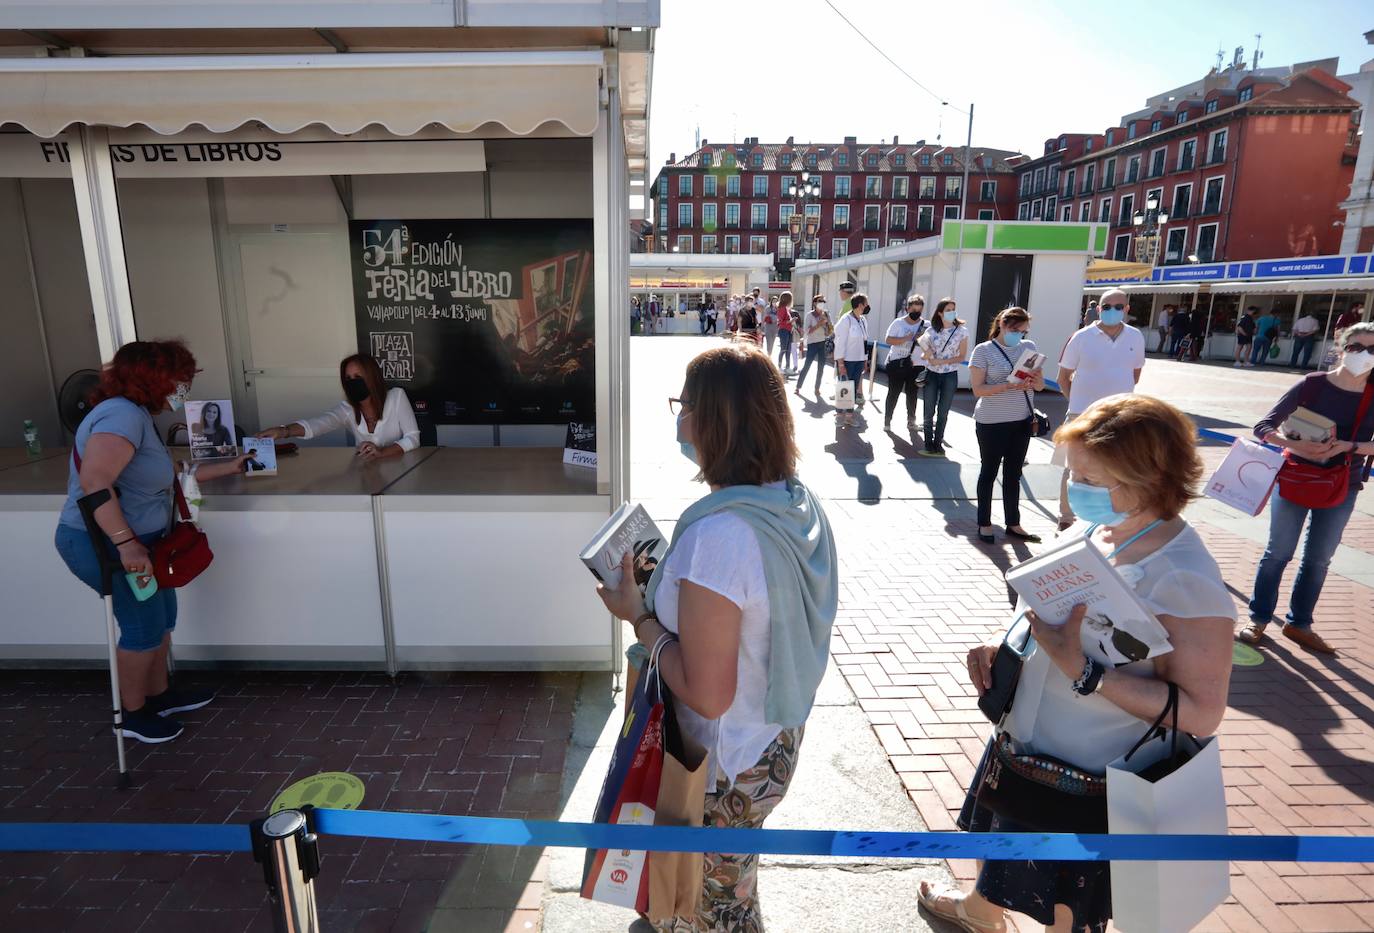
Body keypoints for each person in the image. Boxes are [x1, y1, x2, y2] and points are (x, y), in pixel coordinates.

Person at [919, 394, 1234, 933]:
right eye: (1073, 474)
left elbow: (1201, 714)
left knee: (1067, 904)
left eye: (1090, 478)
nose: (1075, 491)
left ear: (1150, 476)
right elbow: (1046, 609)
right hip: (1031, 745)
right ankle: (980, 911)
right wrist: (1003, 642)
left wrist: (1087, 675)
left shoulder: (1186, 578)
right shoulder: (1096, 530)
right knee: (1005, 840)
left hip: (1097, 776)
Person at [596, 344, 837, 933]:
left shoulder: (722, 536)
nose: (679, 419)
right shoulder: (790, 499)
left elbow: (706, 694)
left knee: (719, 906)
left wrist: (640, 617)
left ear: (715, 422)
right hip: (772, 735)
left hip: (722, 764)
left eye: (686, 404)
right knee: (724, 877)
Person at [54, 340, 251, 744]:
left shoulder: (135, 414)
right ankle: (133, 713)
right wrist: (127, 545)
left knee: (162, 620)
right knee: (142, 626)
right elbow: (94, 482)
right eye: (179, 378)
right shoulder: (119, 416)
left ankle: (161, 695)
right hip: (110, 545)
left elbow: (163, 475)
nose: (183, 388)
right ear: (154, 377)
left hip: (142, 543)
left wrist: (226, 467)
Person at [1239, 322, 1374, 656]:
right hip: (1296, 475)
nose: (1364, 355)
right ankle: (1258, 618)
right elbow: (1263, 427)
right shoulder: (1313, 385)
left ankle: (1299, 623)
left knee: (1319, 559)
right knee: (1278, 553)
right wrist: (1293, 445)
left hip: (1344, 483)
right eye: (1357, 347)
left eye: (1372, 350)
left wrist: (1348, 446)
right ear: (1342, 348)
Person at [1054, 287, 1145, 529]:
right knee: (1073, 468)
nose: (1112, 311)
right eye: (1106, 307)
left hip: (1119, 416)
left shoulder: (1136, 336)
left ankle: (1108, 520)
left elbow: (1135, 373)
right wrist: (1077, 406)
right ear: (1098, 309)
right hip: (1081, 415)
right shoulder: (1081, 337)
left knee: (1116, 467)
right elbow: (1063, 377)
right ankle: (1066, 518)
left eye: (1118, 307)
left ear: (1127, 309)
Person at [969, 308, 1045, 544]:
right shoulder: (983, 351)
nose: (1019, 336)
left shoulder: (1028, 347)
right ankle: (984, 523)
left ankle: (1013, 523)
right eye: (1015, 330)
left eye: (1023, 331)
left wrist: (1033, 380)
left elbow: (1040, 386)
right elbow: (978, 390)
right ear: (1002, 324)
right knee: (989, 472)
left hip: (1021, 419)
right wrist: (1007, 386)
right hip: (991, 421)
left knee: (1014, 474)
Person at [256, 354, 420, 459]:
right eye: (348, 378)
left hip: (402, 470)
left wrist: (382, 452)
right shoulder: (347, 409)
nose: (352, 382)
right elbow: (319, 424)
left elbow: (413, 438)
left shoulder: (396, 396)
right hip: (367, 474)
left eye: (357, 376)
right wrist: (284, 431)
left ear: (372, 377)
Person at [919, 297, 969, 455]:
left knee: (943, 411)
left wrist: (942, 360)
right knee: (928, 409)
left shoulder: (962, 331)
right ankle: (928, 444)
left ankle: (938, 444)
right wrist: (926, 355)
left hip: (949, 375)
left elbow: (962, 357)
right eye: (948, 310)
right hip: (932, 374)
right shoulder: (930, 330)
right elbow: (923, 354)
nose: (952, 312)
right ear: (940, 313)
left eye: (953, 309)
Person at [883, 294, 928, 430]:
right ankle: (887, 421)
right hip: (898, 363)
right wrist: (906, 338)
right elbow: (888, 340)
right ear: (908, 309)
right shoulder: (898, 323)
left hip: (916, 365)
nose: (916, 313)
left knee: (912, 394)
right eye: (914, 310)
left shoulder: (926, 325)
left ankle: (911, 421)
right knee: (894, 392)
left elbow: (930, 344)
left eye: (919, 311)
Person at [831, 291, 871, 426]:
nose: (867, 306)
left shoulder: (863, 320)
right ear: (860, 305)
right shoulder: (846, 320)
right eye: (866, 304)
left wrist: (865, 360)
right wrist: (840, 363)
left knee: (852, 389)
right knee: (844, 387)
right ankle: (840, 416)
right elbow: (840, 342)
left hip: (859, 360)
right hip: (847, 360)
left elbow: (865, 342)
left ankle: (848, 416)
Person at [795, 295, 832, 397]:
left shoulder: (826, 314)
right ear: (814, 303)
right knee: (807, 365)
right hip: (812, 343)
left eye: (823, 301)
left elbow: (830, 331)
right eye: (820, 301)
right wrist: (819, 324)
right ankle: (798, 387)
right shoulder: (810, 315)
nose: (822, 303)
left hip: (823, 343)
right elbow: (807, 331)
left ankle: (817, 388)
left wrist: (827, 325)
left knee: (821, 367)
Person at [775, 292, 796, 374]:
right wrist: (791, 321)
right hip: (784, 331)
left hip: (788, 330)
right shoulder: (782, 308)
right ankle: (780, 367)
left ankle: (787, 367)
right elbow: (780, 321)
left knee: (788, 350)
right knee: (783, 349)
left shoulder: (785, 308)